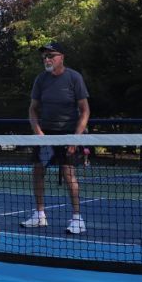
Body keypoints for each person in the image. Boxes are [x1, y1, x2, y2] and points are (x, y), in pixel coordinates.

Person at [22, 42, 90, 234]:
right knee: (37, 172)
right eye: (44, 56)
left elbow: (85, 111)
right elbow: (33, 109)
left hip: (69, 134)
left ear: (62, 57)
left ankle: (77, 218)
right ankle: (39, 215)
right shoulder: (40, 80)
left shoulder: (74, 78)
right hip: (45, 135)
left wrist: (75, 139)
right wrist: (39, 134)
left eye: (51, 55)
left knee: (68, 174)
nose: (47, 59)